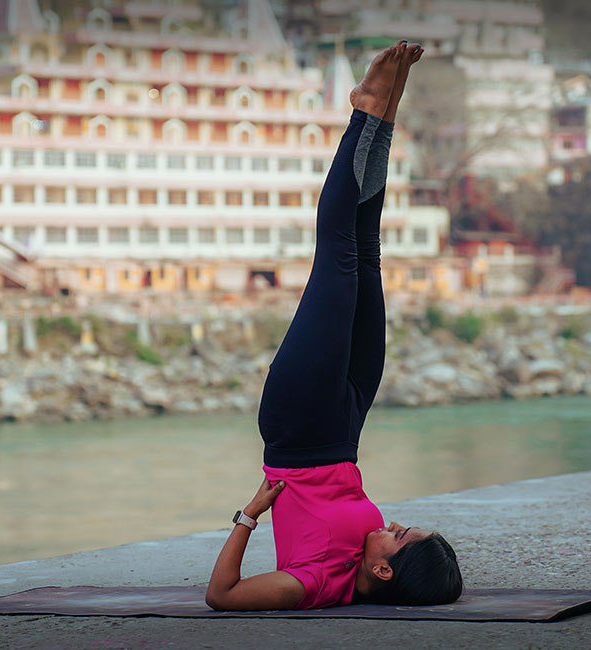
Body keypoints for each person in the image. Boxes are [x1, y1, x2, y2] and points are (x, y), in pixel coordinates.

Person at [205, 41, 463, 612]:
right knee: (366, 253)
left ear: (382, 570)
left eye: (399, 536)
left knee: (338, 254)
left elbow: (221, 597)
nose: (393, 524)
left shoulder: (317, 582)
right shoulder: (368, 556)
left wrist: (249, 516)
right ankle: (385, 114)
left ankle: (366, 110)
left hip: (298, 425)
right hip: (345, 426)